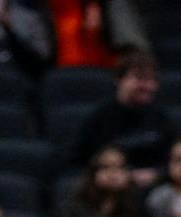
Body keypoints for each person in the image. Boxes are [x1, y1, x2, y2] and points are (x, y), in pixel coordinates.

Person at [70, 51, 175, 188]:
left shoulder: (162, 118)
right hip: (109, 189)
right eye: (140, 78)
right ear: (118, 80)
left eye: (152, 80)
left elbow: (173, 160)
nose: (148, 86)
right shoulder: (98, 118)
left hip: (152, 188)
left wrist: (157, 174)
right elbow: (77, 161)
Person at [57, 145, 146, 217]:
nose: (113, 173)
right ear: (93, 172)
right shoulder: (75, 205)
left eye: (120, 168)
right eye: (106, 167)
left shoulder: (136, 205)